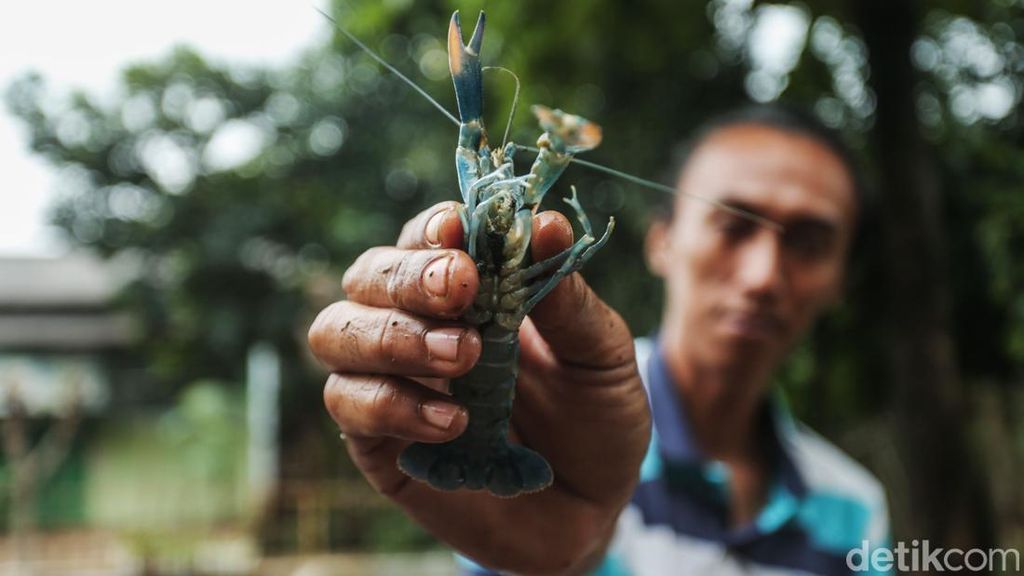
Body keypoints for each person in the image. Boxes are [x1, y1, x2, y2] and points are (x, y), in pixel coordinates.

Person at [307, 104, 891, 575]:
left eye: (809, 243)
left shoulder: (858, 510)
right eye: (733, 225)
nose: (764, 276)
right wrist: (559, 564)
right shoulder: (549, 403)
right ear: (660, 240)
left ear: (842, 280)